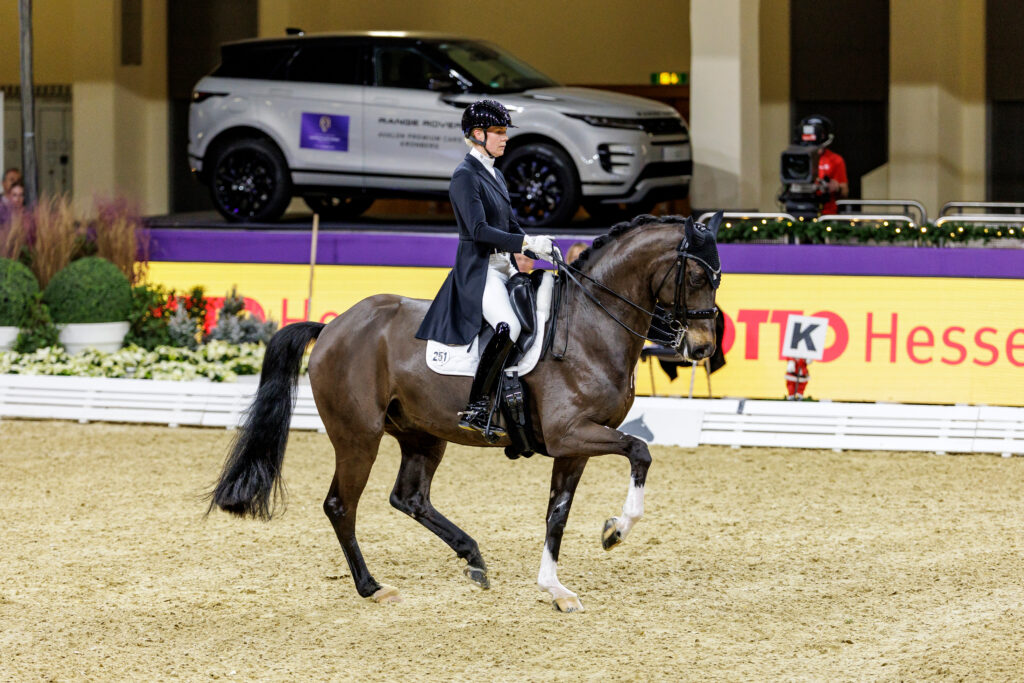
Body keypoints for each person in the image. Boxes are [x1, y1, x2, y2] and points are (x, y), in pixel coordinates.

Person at [416, 99, 556, 437]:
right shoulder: (465, 177)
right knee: (508, 326)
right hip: (479, 271)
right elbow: (478, 231)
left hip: (503, 265)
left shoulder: (495, 173)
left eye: (505, 132)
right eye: (498, 132)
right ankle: (478, 406)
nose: (504, 138)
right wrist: (523, 245)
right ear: (477, 134)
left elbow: (509, 224)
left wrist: (536, 244)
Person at [801, 115, 848, 215]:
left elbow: (845, 191)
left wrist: (837, 187)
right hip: (801, 209)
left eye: (819, 132)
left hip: (827, 212)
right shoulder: (797, 157)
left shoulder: (835, 159)